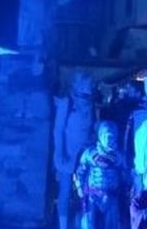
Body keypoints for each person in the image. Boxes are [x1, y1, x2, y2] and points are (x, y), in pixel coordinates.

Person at [54, 72, 97, 229]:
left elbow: (90, 129)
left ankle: (83, 223)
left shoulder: (90, 104)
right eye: (87, 83)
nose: (90, 86)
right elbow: (58, 130)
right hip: (68, 153)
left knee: (84, 191)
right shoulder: (67, 103)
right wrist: (60, 152)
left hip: (84, 155)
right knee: (65, 192)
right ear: (78, 84)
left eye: (91, 84)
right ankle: (63, 226)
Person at [74, 121, 129, 229]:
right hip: (93, 195)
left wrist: (127, 184)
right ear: (100, 136)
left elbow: (125, 176)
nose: (109, 139)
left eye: (112, 136)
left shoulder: (119, 157)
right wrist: (80, 188)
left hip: (111, 196)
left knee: (114, 221)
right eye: (107, 136)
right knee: (88, 222)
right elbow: (79, 172)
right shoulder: (90, 153)